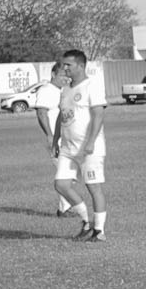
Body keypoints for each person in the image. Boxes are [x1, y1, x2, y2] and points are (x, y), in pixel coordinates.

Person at [55, 49, 109, 241]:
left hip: (88, 148)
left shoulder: (91, 85)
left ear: (81, 65)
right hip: (68, 148)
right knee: (61, 185)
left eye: (68, 65)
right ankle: (87, 221)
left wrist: (91, 141)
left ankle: (99, 231)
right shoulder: (66, 89)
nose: (64, 68)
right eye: (63, 64)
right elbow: (63, 116)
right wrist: (56, 140)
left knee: (93, 187)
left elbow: (98, 115)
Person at [29, 61, 81, 218]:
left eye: (67, 75)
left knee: (71, 173)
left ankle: (65, 207)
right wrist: (50, 136)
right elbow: (41, 113)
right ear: (53, 74)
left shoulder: (62, 91)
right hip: (55, 140)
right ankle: (65, 209)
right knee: (66, 173)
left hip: (66, 139)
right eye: (62, 75)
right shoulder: (46, 90)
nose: (65, 78)